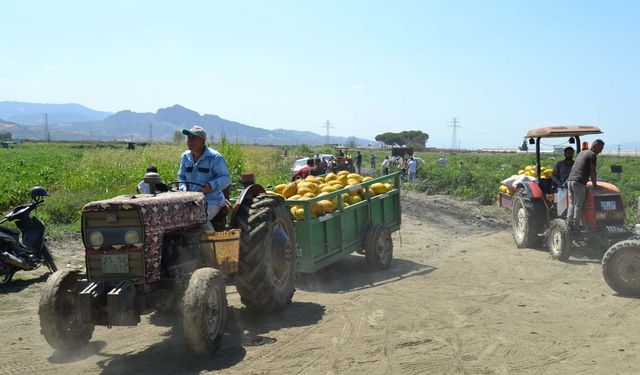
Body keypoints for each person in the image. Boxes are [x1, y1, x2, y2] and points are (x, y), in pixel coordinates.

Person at [178, 125, 231, 229]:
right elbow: (182, 177)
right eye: (188, 138)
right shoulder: (185, 157)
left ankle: (210, 243)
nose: (190, 141)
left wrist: (211, 186)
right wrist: (183, 189)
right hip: (190, 200)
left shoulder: (215, 157)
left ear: (203, 141)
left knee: (200, 218)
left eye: (193, 138)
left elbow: (226, 178)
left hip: (211, 200)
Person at [566, 139, 605, 230]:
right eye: (600, 148)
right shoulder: (592, 155)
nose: (601, 151)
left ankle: (569, 223)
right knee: (578, 204)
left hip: (570, 180)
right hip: (579, 182)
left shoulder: (582, 153)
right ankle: (576, 227)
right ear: (595, 146)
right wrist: (595, 185)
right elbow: (593, 171)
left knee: (572, 203)